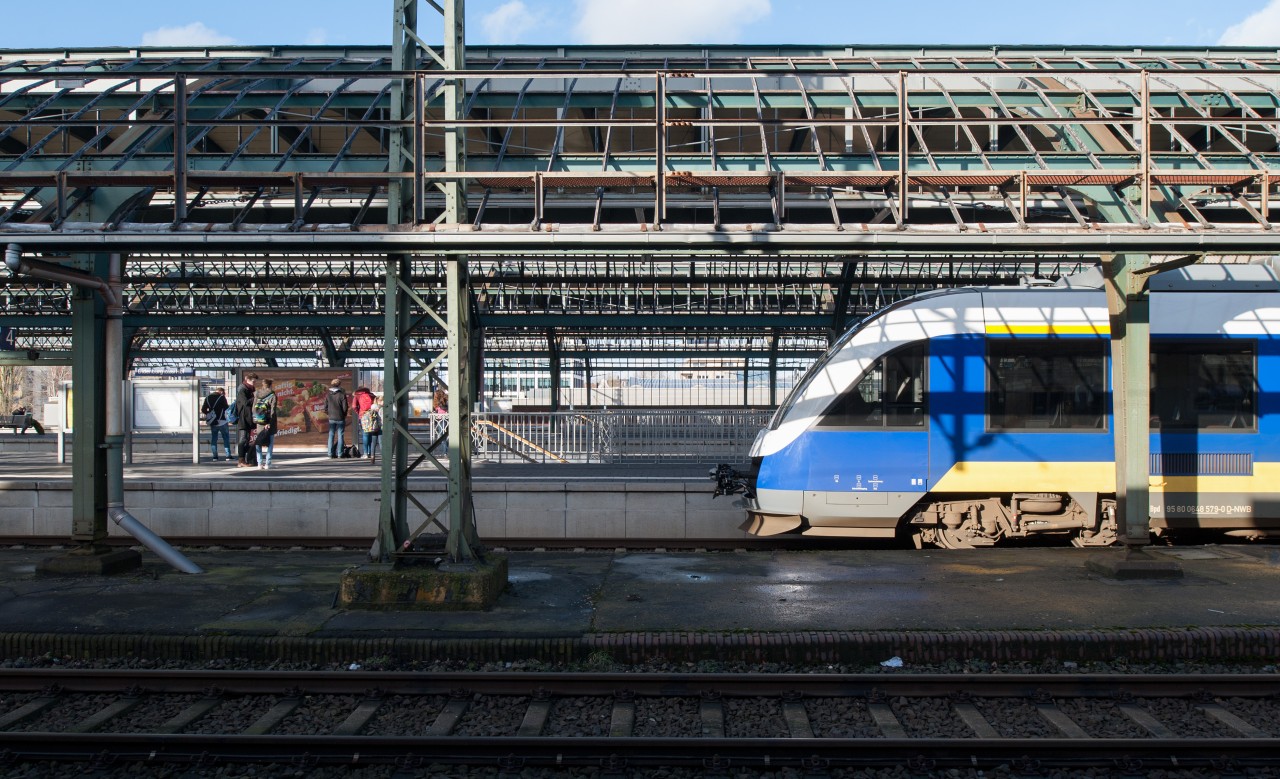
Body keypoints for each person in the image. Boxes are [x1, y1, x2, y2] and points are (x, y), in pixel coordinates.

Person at [253, 378, 278, 470]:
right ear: (270, 385)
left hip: (259, 422)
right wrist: (269, 422)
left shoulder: (256, 394)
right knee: (270, 443)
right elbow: (273, 411)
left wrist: (256, 419)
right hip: (269, 422)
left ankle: (259, 463)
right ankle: (268, 463)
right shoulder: (272, 395)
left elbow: (253, 409)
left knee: (258, 442)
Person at [200, 387, 232, 461]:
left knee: (214, 438)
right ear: (221, 392)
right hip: (222, 421)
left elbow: (203, 409)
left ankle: (215, 456)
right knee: (226, 438)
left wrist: (210, 414)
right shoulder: (222, 397)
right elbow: (226, 408)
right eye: (224, 393)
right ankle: (228, 455)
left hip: (213, 422)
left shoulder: (207, 398)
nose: (224, 395)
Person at [236, 371, 259, 468]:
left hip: (248, 416)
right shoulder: (242, 389)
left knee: (247, 438)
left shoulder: (250, 388)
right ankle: (241, 460)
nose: (254, 383)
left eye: (255, 382)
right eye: (253, 381)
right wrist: (255, 397)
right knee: (243, 438)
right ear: (247, 380)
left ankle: (246, 459)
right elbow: (245, 402)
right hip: (243, 417)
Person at [325, 378, 349, 458]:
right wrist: (344, 414)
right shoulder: (342, 395)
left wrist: (328, 413)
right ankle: (340, 453)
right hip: (340, 417)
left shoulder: (328, 395)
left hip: (331, 417)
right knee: (340, 435)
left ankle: (330, 453)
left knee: (331, 435)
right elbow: (345, 407)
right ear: (339, 385)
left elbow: (325, 407)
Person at [350, 385, 375, 458]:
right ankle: (370, 452)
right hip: (372, 415)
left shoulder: (357, 395)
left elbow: (354, 406)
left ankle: (365, 453)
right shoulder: (371, 395)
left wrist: (359, 412)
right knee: (371, 434)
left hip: (363, 416)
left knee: (365, 434)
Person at [360, 394, 382, 463]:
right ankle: (384, 457)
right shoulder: (381, 408)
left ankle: (371, 456)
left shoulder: (372, 407)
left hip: (372, 427)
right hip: (380, 427)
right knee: (381, 442)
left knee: (373, 442)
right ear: (380, 401)